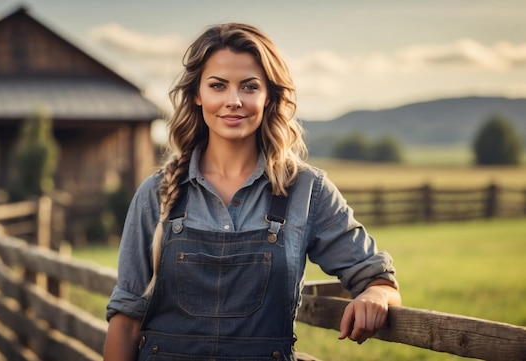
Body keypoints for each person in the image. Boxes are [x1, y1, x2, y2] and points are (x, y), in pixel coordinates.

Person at [103, 22, 401, 361]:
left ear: (269, 96)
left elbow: (377, 277)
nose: (233, 101)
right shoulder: (156, 193)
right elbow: (126, 321)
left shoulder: (307, 191)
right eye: (218, 86)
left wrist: (376, 296)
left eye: (249, 87)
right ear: (197, 95)